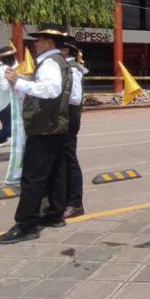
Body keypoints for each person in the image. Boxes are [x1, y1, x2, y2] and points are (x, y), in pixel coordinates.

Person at [0, 23, 73, 245]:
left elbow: (51, 90)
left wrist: (19, 82)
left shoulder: (49, 63)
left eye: (38, 40)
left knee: (33, 177)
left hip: (44, 126)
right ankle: (55, 214)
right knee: (56, 172)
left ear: (49, 42)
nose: (35, 44)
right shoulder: (62, 62)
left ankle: (27, 224)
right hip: (56, 124)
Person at [62, 38, 88, 218]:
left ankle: (75, 202)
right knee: (60, 159)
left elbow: (75, 98)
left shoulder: (72, 70)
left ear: (65, 51)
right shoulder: (63, 67)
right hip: (60, 119)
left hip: (68, 119)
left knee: (69, 158)